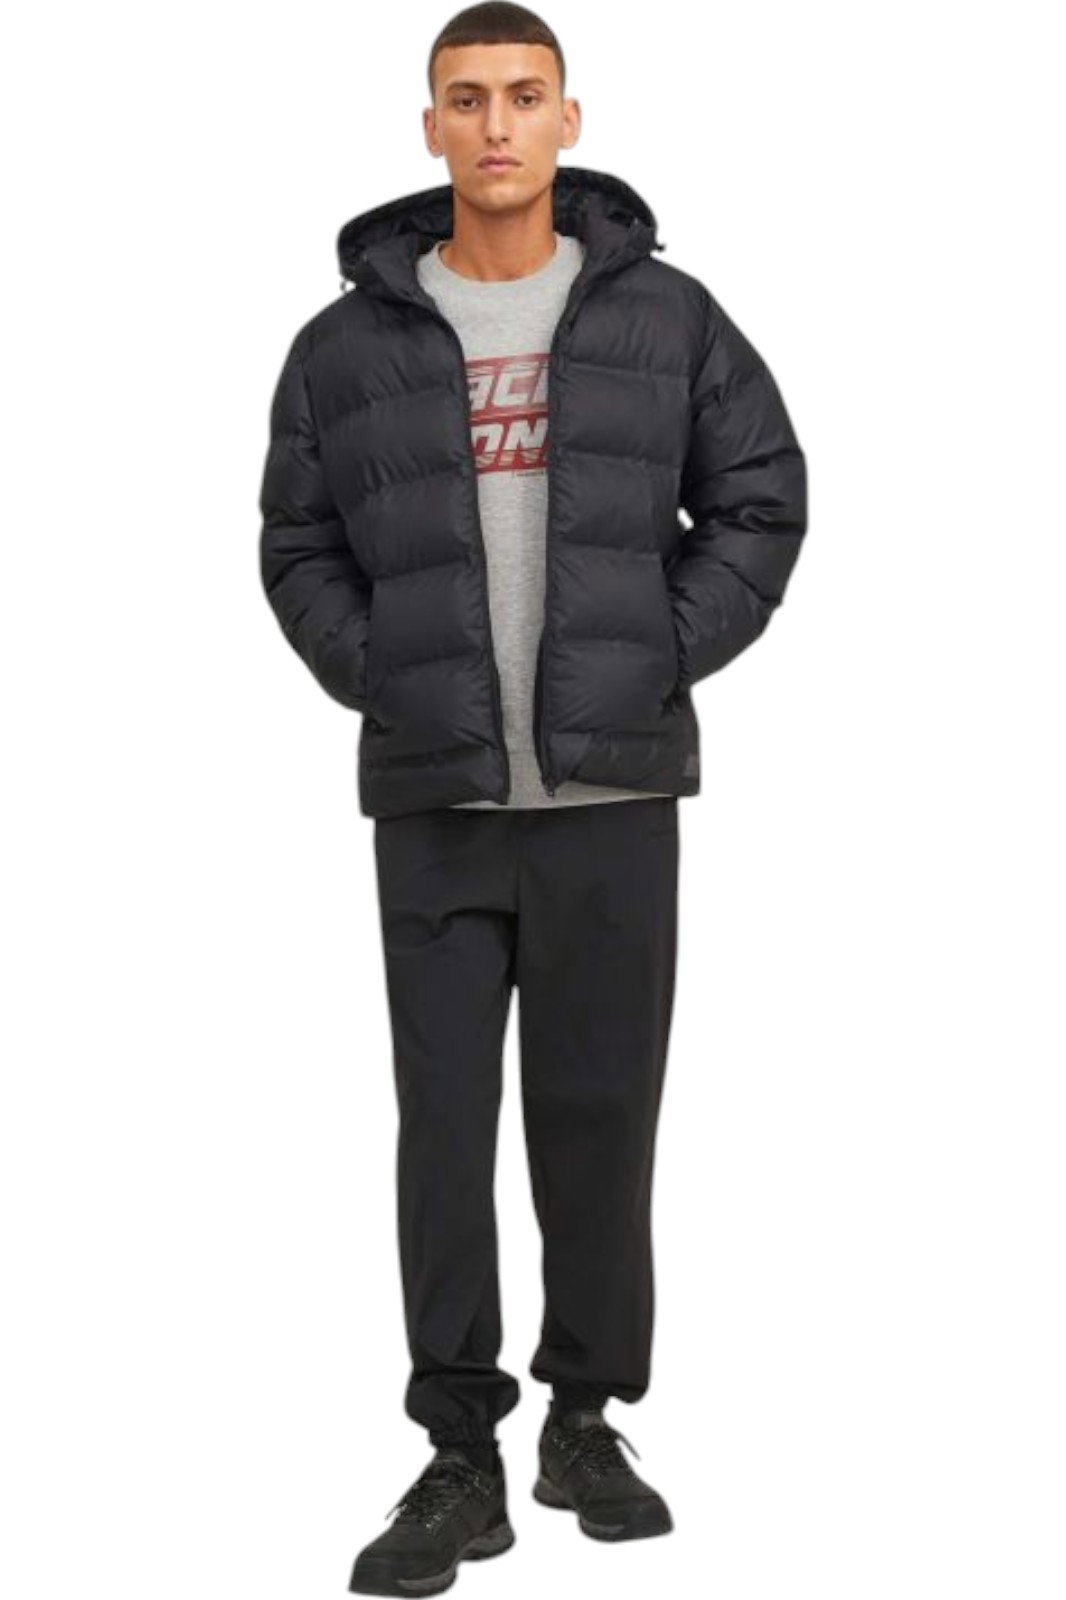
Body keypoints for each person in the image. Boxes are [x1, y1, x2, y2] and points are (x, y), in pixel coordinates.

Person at [258, 3, 807, 1591]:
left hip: (608, 797)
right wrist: (385, 675)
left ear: (569, 118)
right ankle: (457, 1452)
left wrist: (650, 660)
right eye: (465, 98)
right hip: (434, 795)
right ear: (428, 126)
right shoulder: (344, 348)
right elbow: (296, 544)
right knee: (442, 1133)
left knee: (597, 1124)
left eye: (522, 96)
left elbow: (759, 500)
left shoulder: (668, 318)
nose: (494, 125)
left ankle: (582, 1420)